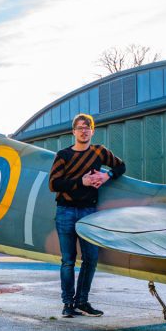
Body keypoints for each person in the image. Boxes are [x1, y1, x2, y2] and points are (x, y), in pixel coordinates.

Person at [49, 113, 125, 318]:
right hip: (65, 211)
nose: (84, 130)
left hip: (89, 213)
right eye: (80, 127)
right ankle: (67, 304)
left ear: (93, 130)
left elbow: (121, 166)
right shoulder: (63, 155)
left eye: (87, 127)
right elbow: (53, 184)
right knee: (68, 261)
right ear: (73, 132)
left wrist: (106, 175)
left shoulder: (100, 152)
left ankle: (82, 301)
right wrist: (80, 182)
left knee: (91, 259)